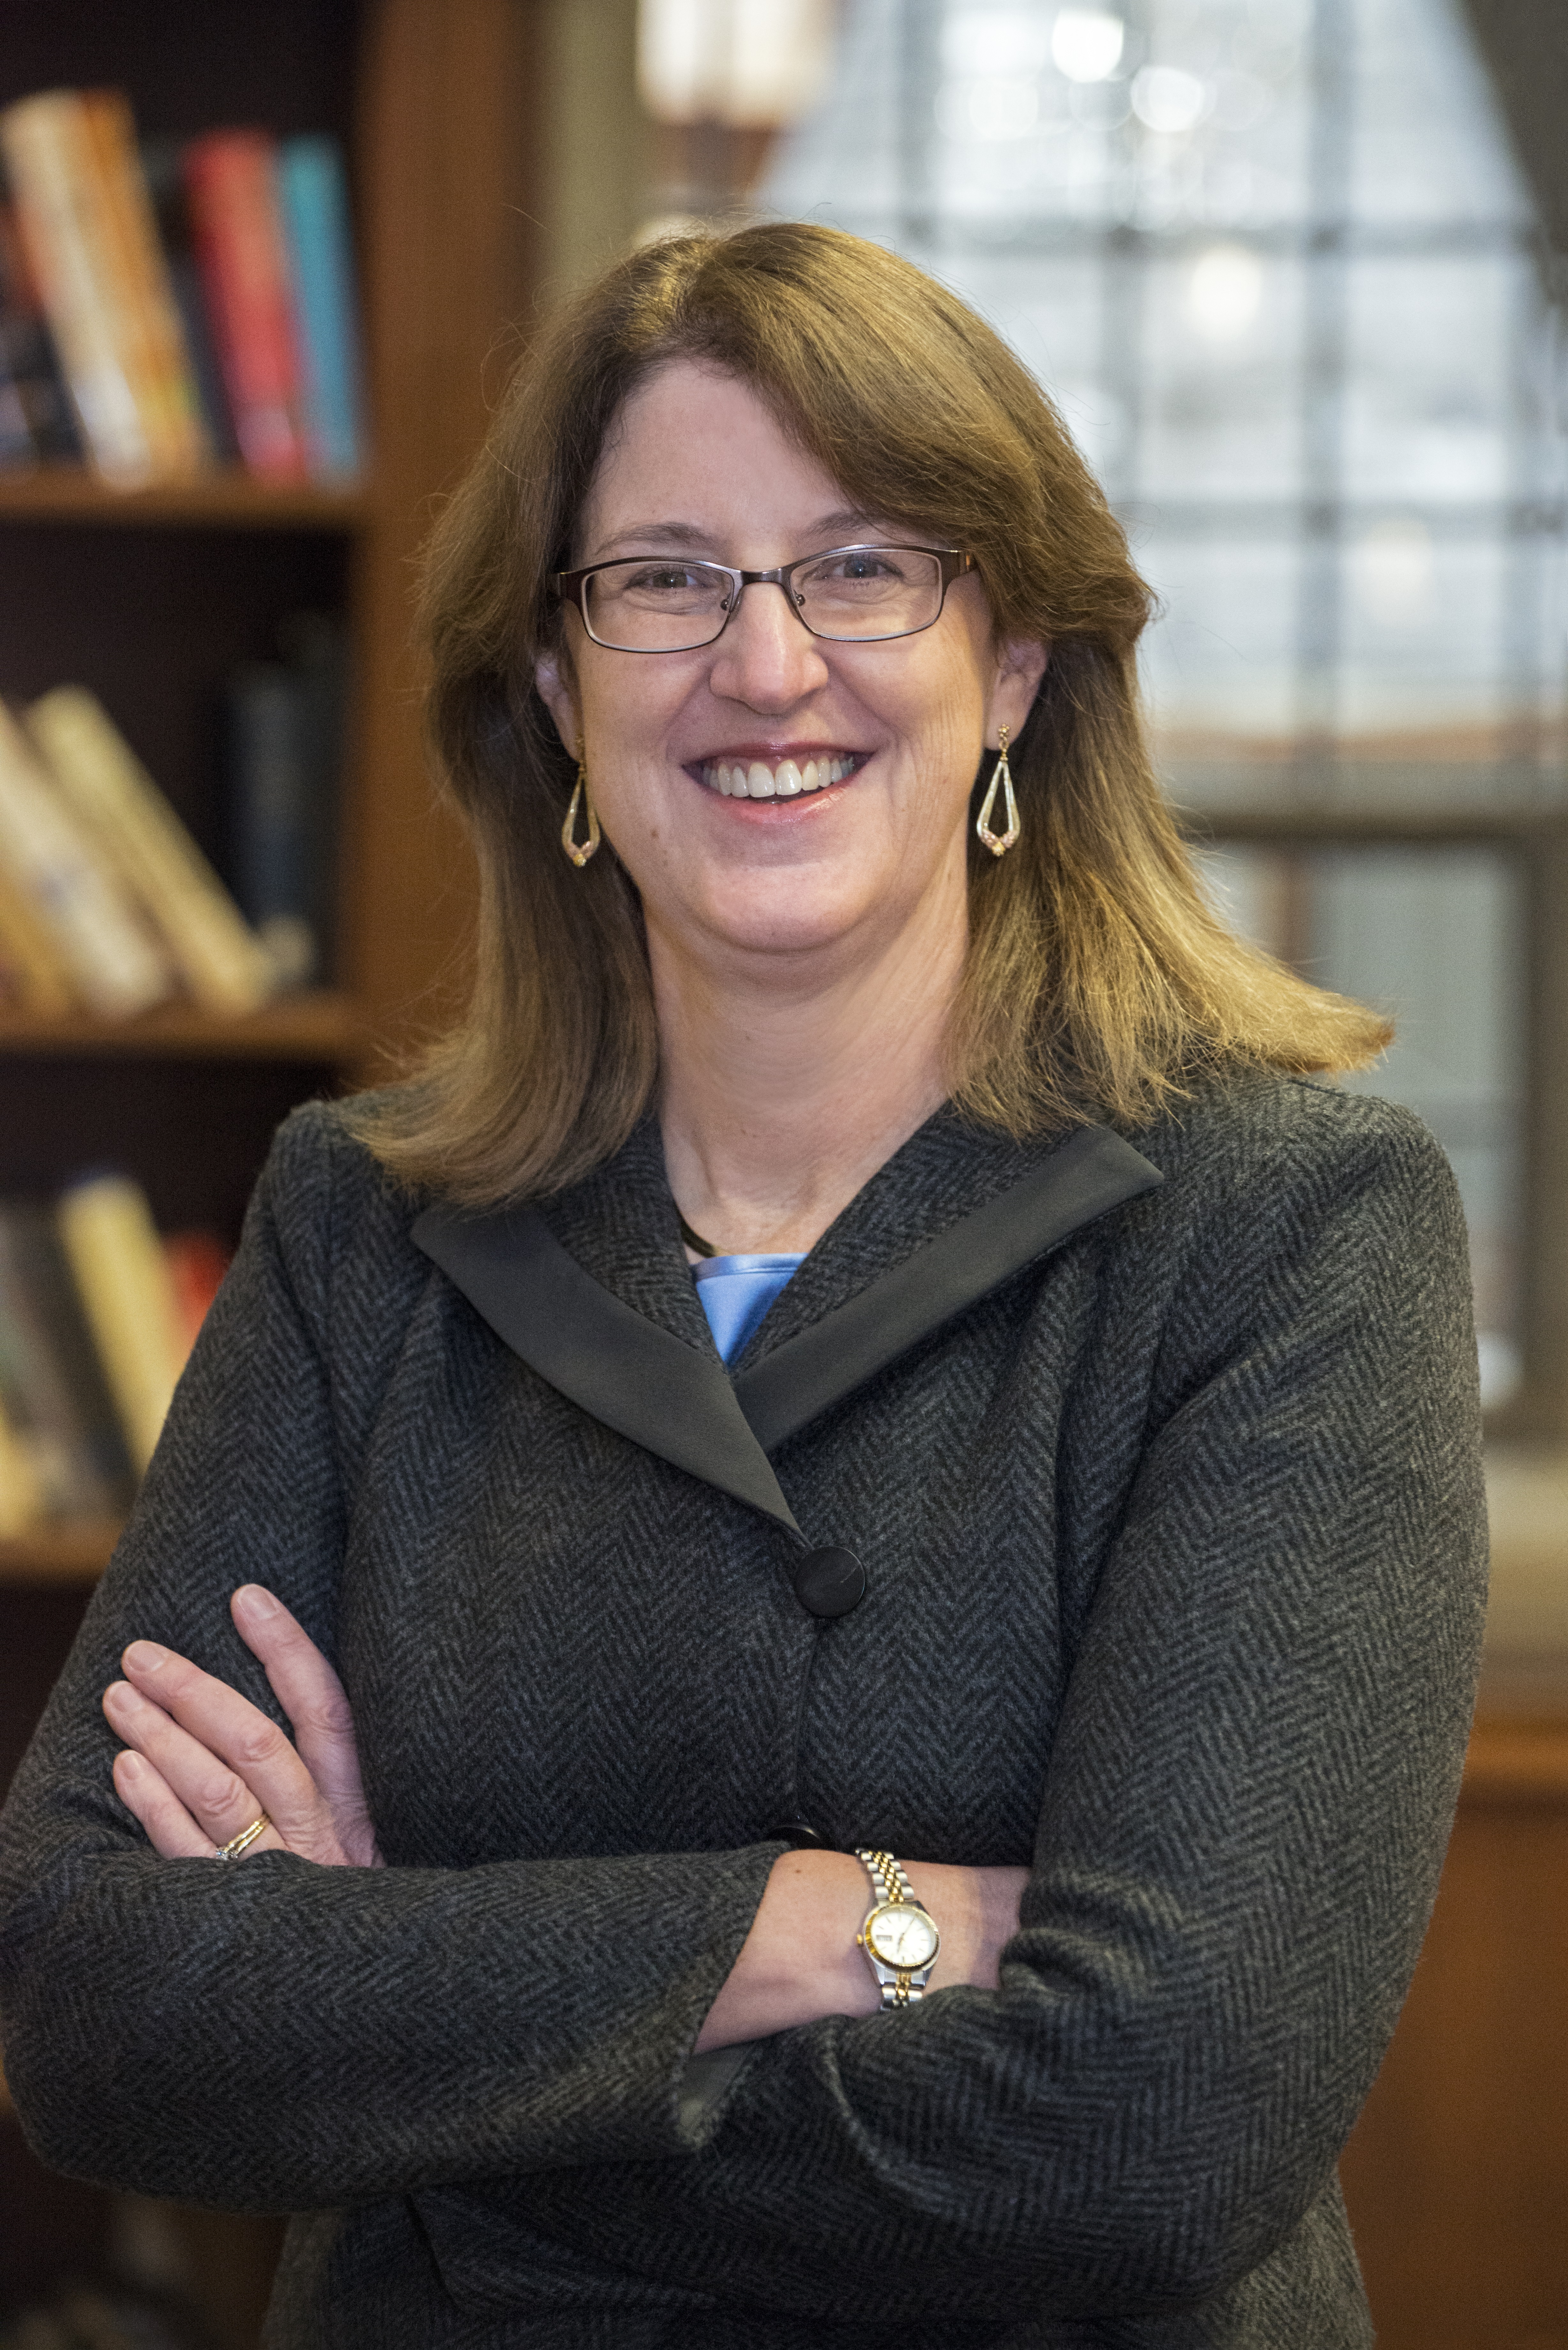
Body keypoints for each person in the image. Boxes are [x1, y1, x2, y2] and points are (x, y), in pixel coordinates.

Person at [0, 224, 1485, 2350]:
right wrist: (843, 1925)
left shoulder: (1285, 1231)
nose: (765, 665)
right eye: (664, 580)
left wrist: (415, 2059)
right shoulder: (363, 1225)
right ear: (552, 685)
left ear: (1020, 665)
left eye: (867, 565)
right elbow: (88, 2000)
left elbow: (1151, 2130)